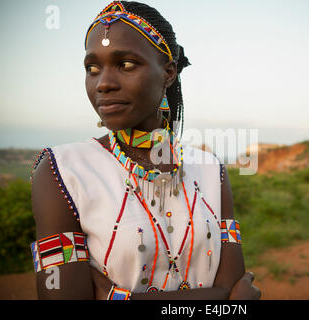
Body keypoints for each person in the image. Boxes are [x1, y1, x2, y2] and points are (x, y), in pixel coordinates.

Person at [30, 0, 261, 300]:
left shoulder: (209, 169)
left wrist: (113, 295)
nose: (103, 83)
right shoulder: (60, 170)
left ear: (168, 73)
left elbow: (234, 289)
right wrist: (215, 298)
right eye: (92, 68)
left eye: (126, 64)